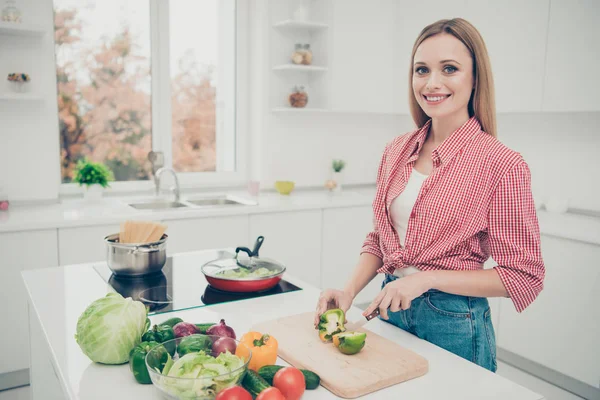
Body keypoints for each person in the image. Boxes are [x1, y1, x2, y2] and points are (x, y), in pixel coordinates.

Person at [313, 18, 545, 372]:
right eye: (422, 70)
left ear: (475, 78)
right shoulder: (395, 150)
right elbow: (381, 239)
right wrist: (349, 292)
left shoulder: (502, 164)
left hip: (453, 323)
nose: (432, 83)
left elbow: (522, 275)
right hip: (391, 311)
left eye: (449, 69)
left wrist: (428, 278)